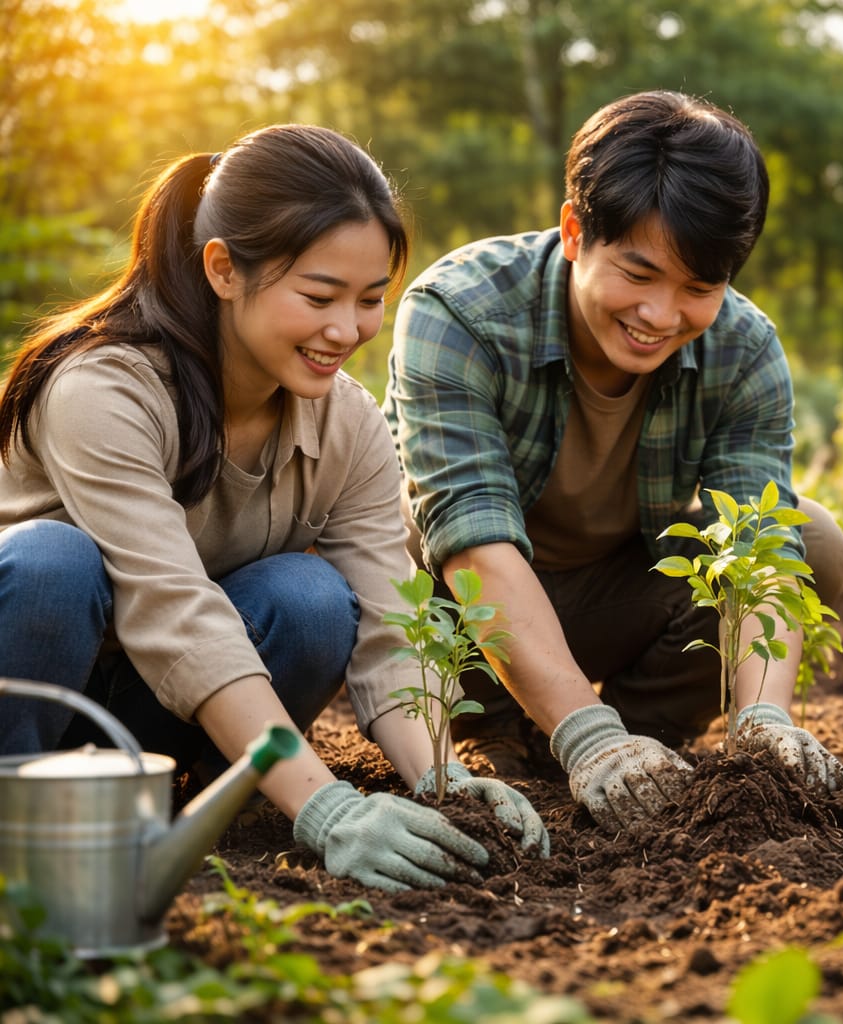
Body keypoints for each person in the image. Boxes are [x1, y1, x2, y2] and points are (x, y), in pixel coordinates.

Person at [0, 124, 548, 891]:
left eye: (369, 301)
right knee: (54, 561)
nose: (345, 330)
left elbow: (395, 623)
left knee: (312, 597)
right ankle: (17, 814)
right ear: (223, 269)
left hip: (157, 713)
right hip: (38, 686)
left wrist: (445, 777)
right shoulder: (106, 392)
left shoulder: (348, 423)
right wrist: (329, 808)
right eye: (319, 296)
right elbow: (174, 609)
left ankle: (203, 814)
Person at [384, 90, 843, 833]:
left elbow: (758, 551)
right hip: (450, 618)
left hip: (602, 598)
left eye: (698, 288)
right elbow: (471, 546)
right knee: (405, 559)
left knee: (811, 540)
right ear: (575, 232)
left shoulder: (743, 346)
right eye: (638, 275)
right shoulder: (459, 312)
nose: (661, 316)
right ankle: (508, 729)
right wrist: (587, 738)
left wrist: (765, 717)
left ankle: (643, 737)